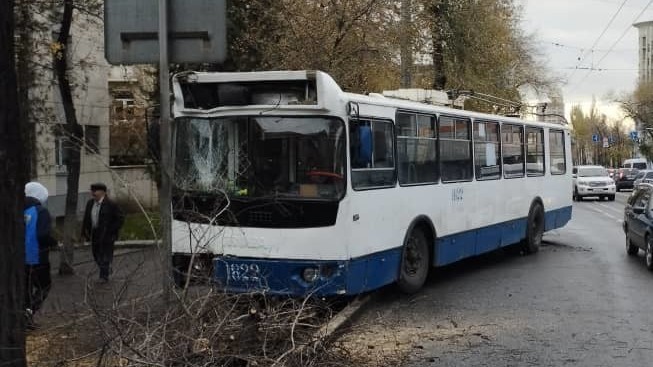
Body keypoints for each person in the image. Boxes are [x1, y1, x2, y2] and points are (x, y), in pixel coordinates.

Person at [24, 182, 56, 329]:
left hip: (19, 258)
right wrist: (53, 242)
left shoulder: (16, 208)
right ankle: (29, 311)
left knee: (26, 288)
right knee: (44, 286)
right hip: (37, 256)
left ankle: (23, 316)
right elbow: (43, 235)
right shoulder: (40, 211)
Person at [81, 183, 124, 283]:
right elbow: (86, 219)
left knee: (105, 254)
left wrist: (112, 230)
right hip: (95, 232)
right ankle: (106, 268)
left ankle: (103, 276)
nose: (93, 193)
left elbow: (120, 219)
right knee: (96, 254)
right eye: (92, 191)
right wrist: (83, 232)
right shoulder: (90, 203)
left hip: (107, 234)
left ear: (103, 192)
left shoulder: (111, 204)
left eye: (95, 191)